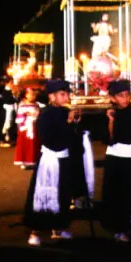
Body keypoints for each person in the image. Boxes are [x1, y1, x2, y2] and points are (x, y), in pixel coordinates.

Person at [24, 79, 77, 247]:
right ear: (52, 97)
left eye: (67, 93)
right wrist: (68, 124)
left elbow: (72, 138)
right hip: (50, 159)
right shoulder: (46, 114)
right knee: (43, 194)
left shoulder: (64, 112)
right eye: (62, 94)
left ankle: (58, 226)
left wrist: (73, 123)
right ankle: (35, 230)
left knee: (62, 193)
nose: (66, 96)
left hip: (63, 159)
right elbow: (50, 139)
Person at [102, 79, 131, 242]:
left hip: (129, 156)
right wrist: (111, 121)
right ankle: (113, 225)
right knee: (113, 192)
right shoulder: (111, 113)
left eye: (127, 95)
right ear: (113, 98)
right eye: (120, 96)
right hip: (114, 156)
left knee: (127, 192)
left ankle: (124, 226)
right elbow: (110, 138)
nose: (124, 99)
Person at [14, 87, 43, 169]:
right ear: (26, 95)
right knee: (25, 145)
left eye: (34, 94)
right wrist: (22, 127)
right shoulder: (22, 105)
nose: (33, 96)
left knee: (35, 144)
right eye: (31, 94)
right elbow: (20, 117)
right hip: (26, 128)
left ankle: (33, 160)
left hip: (35, 127)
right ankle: (24, 161)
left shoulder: (36, 104)